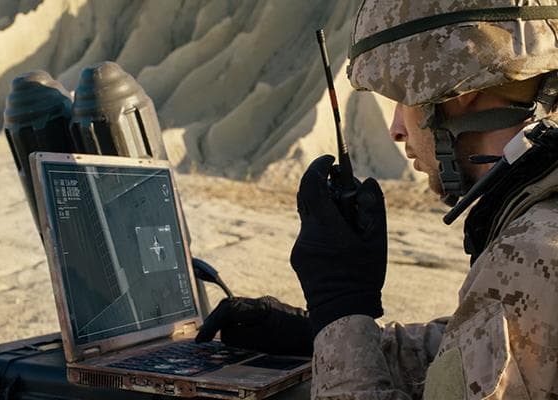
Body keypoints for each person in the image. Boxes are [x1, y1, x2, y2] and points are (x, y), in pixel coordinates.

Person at [197, 1, 558, 398]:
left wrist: (338, 303)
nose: (396, 129)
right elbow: (468, 356)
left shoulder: (531, 252)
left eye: (402, 99)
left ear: (460, 91)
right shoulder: (539, 217)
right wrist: (324, 331)